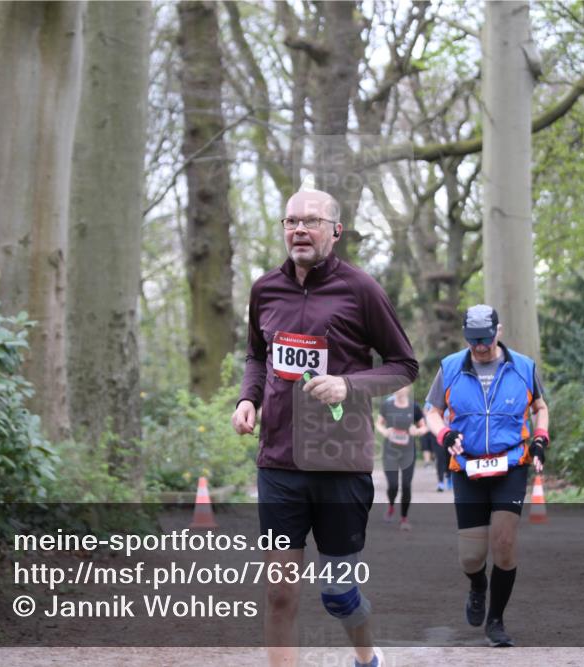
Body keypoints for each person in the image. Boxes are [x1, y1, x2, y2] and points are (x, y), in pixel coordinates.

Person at [231, 188, 419, 667]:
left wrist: (348, 385)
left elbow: (403, 365)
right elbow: (258, 354)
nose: (299, 230)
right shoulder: (265, 289)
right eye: (291, 221)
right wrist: (247, 399)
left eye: (311, 221)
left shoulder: (362, 289)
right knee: (278, 593)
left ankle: (365, 657)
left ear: (335, 231)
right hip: (279, 460)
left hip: (339, 462)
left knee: (338, 593)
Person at [423, 305, 549, 648]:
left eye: (486, 339)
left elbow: (540, 407)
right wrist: (444, 434)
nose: (480, 347)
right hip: (467, 467)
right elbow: (431, 410)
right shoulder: (451, 367)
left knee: (505, 544)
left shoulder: (522, 367)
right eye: (474, 340)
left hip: (511, 464)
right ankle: (477, 585)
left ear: (499, 331)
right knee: (470, 557)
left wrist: (540, 438)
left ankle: (496, 621)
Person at [374, 385, 427, 530]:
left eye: (402, 386)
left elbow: (424, 427)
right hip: (390, 451)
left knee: (406, 485)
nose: (399, 389)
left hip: (408, 452)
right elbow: (378, 424)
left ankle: (404, 518)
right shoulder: (387, 405)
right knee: (393, 485)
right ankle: (391, 506)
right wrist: (384, 431)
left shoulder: (414, 407)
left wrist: (416, 431)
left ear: (408, 388)